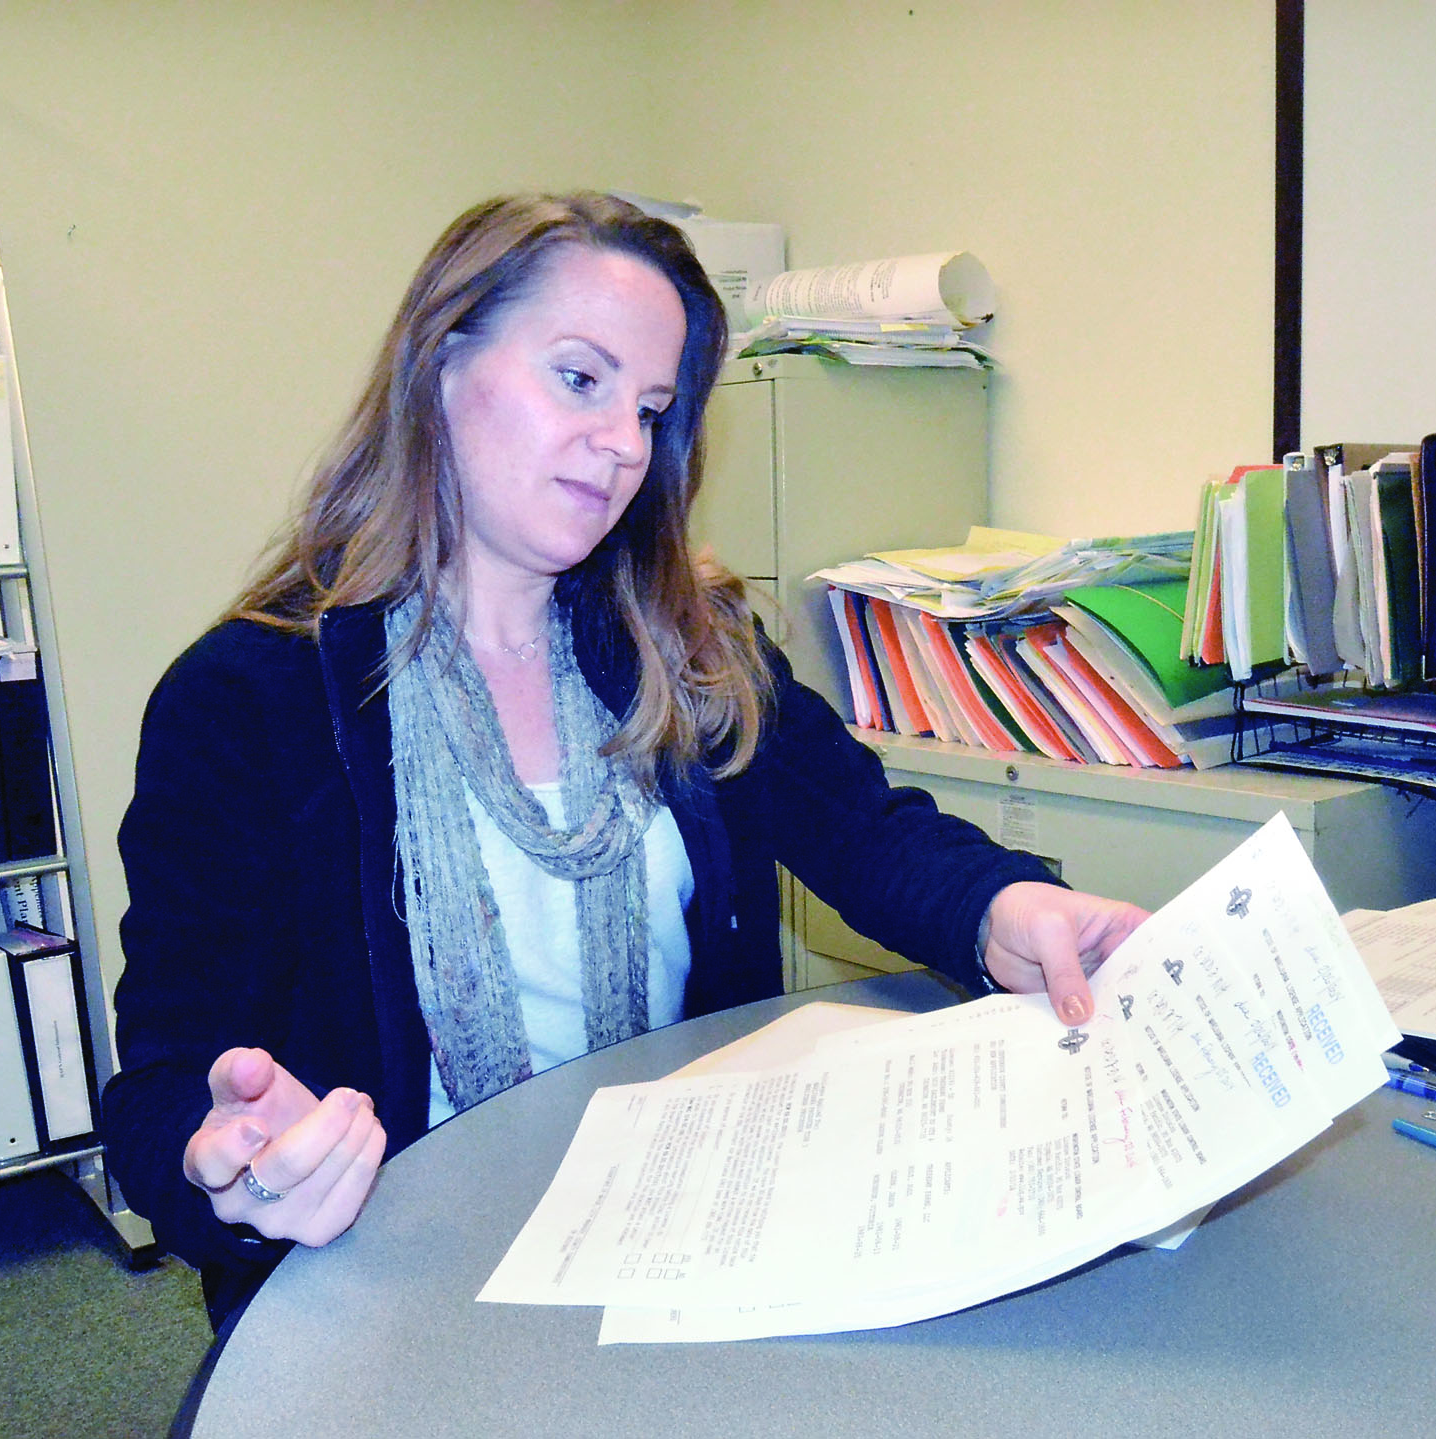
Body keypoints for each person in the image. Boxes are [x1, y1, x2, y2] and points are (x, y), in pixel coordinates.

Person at [103, 192, 1150, 1328]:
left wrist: (1000, 903)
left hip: (686, 1227)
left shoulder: (686, 638)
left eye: (651, 407)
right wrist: (236, 1165)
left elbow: (859, 826)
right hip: (399, 1274)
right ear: (440, 366)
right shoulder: (248, 699)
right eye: (580, 378)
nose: (622, 445)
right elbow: (165, 1086)